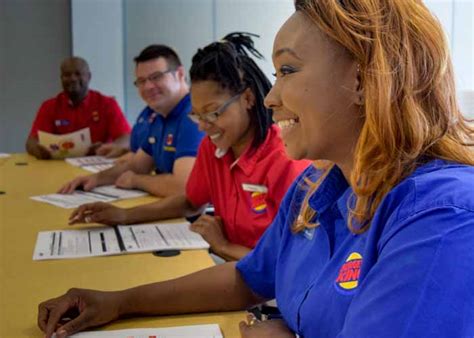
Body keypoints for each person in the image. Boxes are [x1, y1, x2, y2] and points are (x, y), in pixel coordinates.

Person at [38, 1, 474, 337]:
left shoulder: (439, 217)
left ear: (364, 79)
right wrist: (118, 302)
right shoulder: (315, 187)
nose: (270, 97)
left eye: (287, 70)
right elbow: (247, 279)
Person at [68, 33, 311, 261]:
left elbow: (293, 263)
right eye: (197, 116)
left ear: (247, 98)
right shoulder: (213, 147)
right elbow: (190, 202)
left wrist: (223, 246)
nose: (204, 126)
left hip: (268, 290)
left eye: (213, 113)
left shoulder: (286, 159)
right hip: (228, 266)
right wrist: (124, 216)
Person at [58, 46, 205, 197]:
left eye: (156, 77)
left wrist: (137, 181)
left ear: (179, 74)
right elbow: (137, 165)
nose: (148, 86)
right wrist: (94, 179)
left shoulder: (192, 116)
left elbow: (183, 187)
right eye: (141, 81)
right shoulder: (159, 116)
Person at [26, 57, 131, 160]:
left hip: (97, 165)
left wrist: (111, 147)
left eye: (78, 74)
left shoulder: (107, 104)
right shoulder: (49, 106)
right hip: (59, 167)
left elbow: (126, 138)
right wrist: (39, 151)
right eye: (67, 75)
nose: (73, 78)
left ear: (89, 76)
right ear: (61, 78)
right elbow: (31, 141)